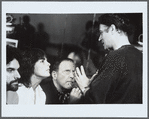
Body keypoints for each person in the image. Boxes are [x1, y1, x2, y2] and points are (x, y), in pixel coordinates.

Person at [75, 13, 142, 104]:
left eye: (101, 32)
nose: (99, 38)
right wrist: (93, 85)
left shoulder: (114, 57)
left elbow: (95, 101)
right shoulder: (140, 56)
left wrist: (84, 88)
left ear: (112, 29)